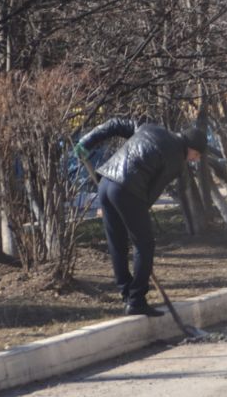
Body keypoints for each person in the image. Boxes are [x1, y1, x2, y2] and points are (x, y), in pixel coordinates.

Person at [76, 118, 219, 317]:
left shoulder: (149, 128)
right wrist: (136, 214)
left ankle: (127, 295)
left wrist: (86, 142)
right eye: (196, 155)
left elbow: (115, 124)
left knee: (117, 243)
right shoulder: (176, 160)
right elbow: (151, 192)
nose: (194, 159)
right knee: (144, 245)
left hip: (106, 183)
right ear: (189, 147)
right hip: (127, 189)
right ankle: (136, 300)